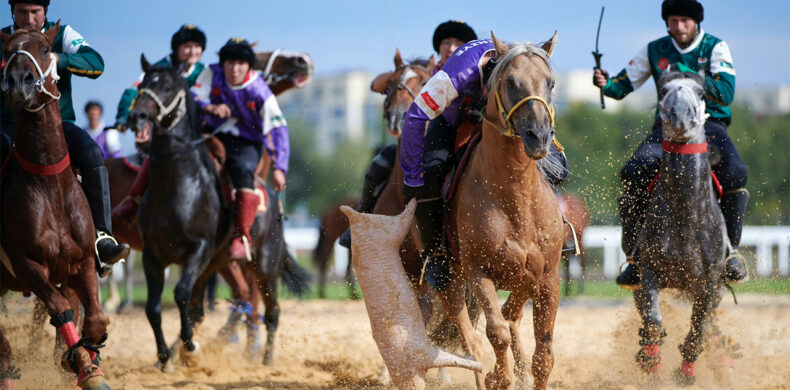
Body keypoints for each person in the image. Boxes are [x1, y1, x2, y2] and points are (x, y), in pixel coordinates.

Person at [592, 0, 748, 288]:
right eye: (673, 21)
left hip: (709, 126)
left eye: (684, 21)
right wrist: (606, 84)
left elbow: (726, 93)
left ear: (697, 22)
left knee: (737, 172)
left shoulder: (716, 47)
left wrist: (691, 76)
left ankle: (731, 254)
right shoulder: (655, 49)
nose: (678, 27)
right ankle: (636, 259)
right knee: (633, 171)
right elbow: (622, 86)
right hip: (665, 128)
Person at [398, 37, 568, 291]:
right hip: (451, 119)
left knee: (559, 170)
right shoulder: (460, 72)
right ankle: (435, 256)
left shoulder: (523, 64)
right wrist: (412, 177)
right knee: (431, 175)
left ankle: (557, 234)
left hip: (504, 116)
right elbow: (415, 115)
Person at [0, 0, 130, 276]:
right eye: (22, 11)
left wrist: (60, 58)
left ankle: (103, 238)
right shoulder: (3, 38)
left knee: (94, 154)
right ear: (13, 12)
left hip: (58, 128)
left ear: (46, 12)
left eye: (35, 12)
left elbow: (96, 64)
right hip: (8, 126)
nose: (29, 18)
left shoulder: (63, 35)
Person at [339, 20, 478, 249]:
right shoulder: (424, 72)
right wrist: (400, 74)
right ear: (438, 47)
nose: (452, 47)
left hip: (466, 137)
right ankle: (360, 221)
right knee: (380, 163)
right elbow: (376, 85)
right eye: (446, 42)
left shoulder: (475, 70)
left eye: (458, 43)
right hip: (421, 142)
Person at [191, 38, 290, 260]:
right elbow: (194, 95)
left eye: (240, 63)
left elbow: (278, 129)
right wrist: (211, 107)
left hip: (245, 142)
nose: (234, 69)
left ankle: (241, 237)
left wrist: (279, 167)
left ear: (248, 65)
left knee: (241, 169)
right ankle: (134, 202)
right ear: (223, 63)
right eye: (229, 63)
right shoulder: (211, 72)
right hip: (210, 134)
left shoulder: (260, 91)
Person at [111, 24, 207, 220]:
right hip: (163, 132)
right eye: (187, 46)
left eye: (197, 47)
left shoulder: (205, 72)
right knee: (154, 155)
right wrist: (123, 117)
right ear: (176, 48)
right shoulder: (158, 69)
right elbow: (132, 92)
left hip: (197, 132)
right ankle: (134, 200)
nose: (193, 51)